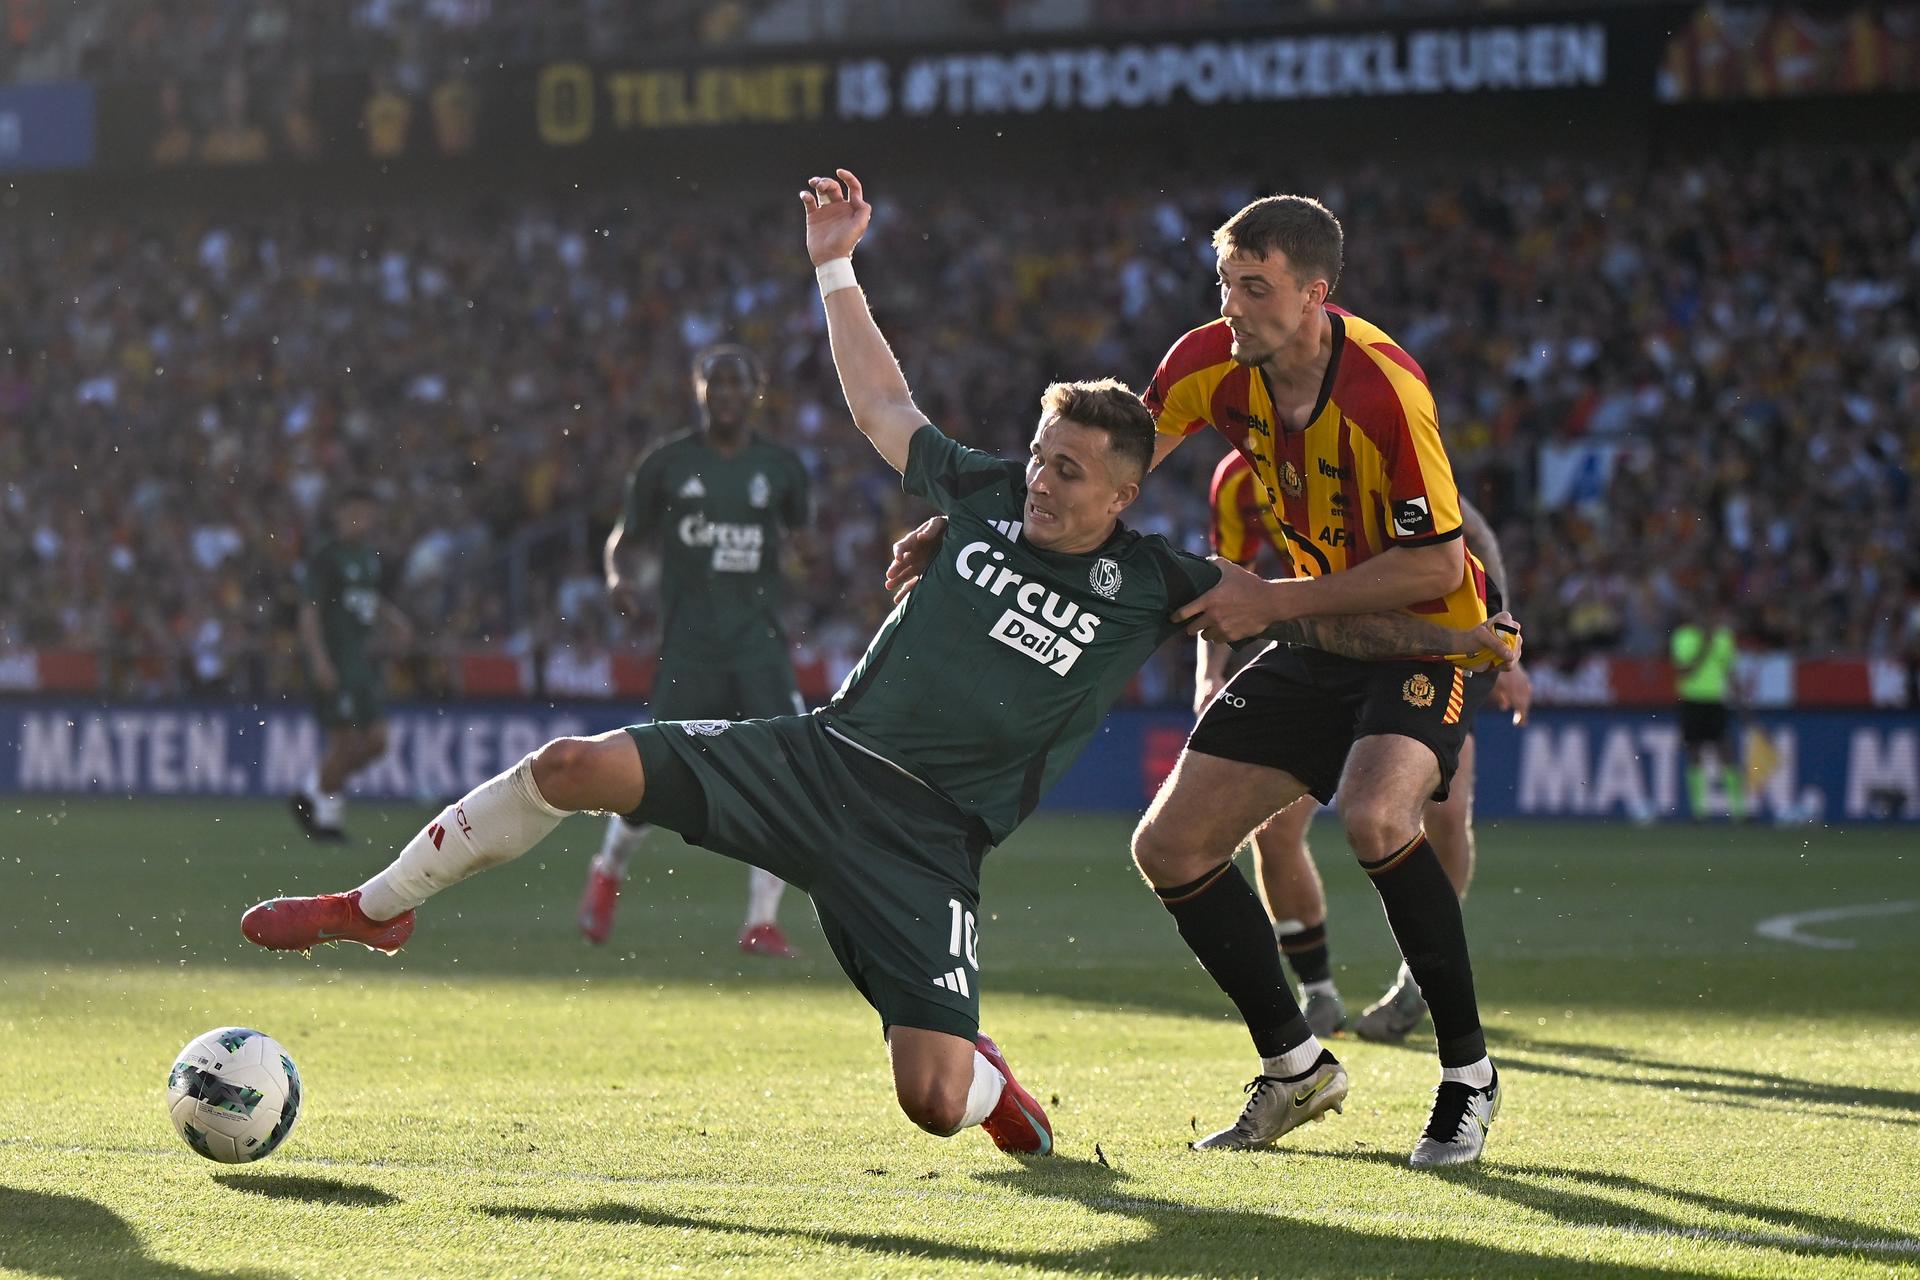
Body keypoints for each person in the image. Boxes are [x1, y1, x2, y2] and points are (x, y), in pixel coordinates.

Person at [241, 168, 1512, 1158]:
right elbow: (897, 410)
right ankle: (378, 900)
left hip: (942, 837)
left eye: (1253, 285)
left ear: (1314, 291)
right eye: (1038, 460)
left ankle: (1441, 1071)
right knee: (573, 761)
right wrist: (839, 270)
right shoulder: (1019, 479)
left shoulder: (1186, 552)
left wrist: (1477, 634)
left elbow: (1353, 573)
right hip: (818, 760)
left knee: (936, 1096)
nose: (1042, 480)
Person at [1136, 193, 1512, 1167]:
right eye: (1225, 282)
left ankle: (1469, 1076)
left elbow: (1439, 562)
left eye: (1255, 288)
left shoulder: (1387, 390)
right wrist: (997, 518)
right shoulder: (1208, 362)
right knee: (1169, 845)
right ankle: (1296, 1063)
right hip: (1317, 637)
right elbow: (1113, 463)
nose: (1232, 306)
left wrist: (1273, 602)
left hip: (1428, 638)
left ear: (1315, 295)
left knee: (1381, 817)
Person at [1198, 451, 1533, 1045]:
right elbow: (1229, 575)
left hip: (1434, 641)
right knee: (1273, 829)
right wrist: (1208, 673)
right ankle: (1318, 992)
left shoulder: (1368, 437)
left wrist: (1502, 628)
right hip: (1331, 643)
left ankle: (1418, 981)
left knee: (1443, 815)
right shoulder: (1238, 477)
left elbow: (1467, 530)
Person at [583, 344, 813, 957]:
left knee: (785, 773)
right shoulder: (667, 464)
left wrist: (803, 556)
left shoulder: (782, 468)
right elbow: (625, 537)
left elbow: (801, 537)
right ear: (698, 388)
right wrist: (617, 576)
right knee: (654, 778)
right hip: (689, 650)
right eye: (717, 382)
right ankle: (608, 870)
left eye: (739, 383)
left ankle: (761, 920)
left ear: (757, 391)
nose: (727, 393)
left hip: (759, 648)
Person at [290, 485, 414, 842]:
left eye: (365, 514)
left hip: (362, 663)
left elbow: (365, 599)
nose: (358, 520)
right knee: (344, 742)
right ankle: (327, 820)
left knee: (376, 742)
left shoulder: (368, 557)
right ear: (339, 516)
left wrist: (393, 619)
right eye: (352, 513)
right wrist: (319, 659)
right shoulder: (326, 555)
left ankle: (310, 791)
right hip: (337, 659)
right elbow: (309, 610)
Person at [1672, 602, 1744, 820]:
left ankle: (1739, 811)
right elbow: (1684, 671)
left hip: (1716, 700)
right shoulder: (1683, 637)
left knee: (1725, 752)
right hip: (1692, 699)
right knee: (1694, 753)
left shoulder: (1724, 638)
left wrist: (1740, 698)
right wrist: (1704, 647)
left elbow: (1730, 671)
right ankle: (1699, 811)